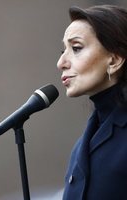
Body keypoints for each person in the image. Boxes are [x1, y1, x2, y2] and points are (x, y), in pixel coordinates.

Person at [57, 4, 127, 200]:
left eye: (76, 48)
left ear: (114, 60)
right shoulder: (84, 143)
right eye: (63, 50)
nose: (61, 62)